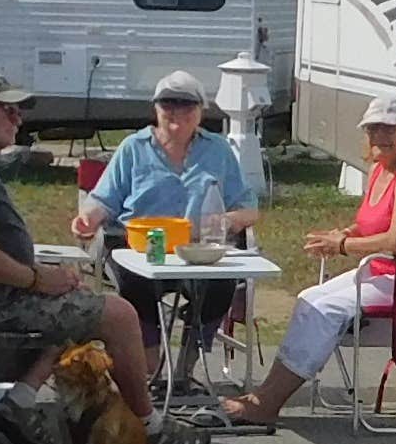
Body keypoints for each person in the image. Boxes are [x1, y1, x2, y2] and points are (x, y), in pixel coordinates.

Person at [0, 73, 154, 430]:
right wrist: (37, 279)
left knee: (79, 300)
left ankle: (20, 402)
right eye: (9, 111)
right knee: (118, 314)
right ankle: (150, 426)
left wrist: (47, 279)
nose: (19, 119)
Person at [219, 97, 396, 430]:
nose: (380, 136)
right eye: (373, 129)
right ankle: (265, 396)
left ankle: (267, 403)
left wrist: (341, 244)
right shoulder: (381, 169)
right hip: (388, 272)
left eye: (389, 128)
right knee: (308, 299)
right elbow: (371, 225)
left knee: (325, 311)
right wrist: (343, 233)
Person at [86, 73, 265, 388]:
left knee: (220, 287)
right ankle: (150, 370)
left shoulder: (219, 150)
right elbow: (104, 199)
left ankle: (184, 370)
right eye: (168, 104)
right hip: (145, 248)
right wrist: (88, 219)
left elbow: (249, 207)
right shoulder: (133, 148)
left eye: (187, 105)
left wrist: (228, 221)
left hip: (198, 250)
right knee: (134, 285)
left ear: (201, 111)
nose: (177, 112)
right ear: (155, 109)